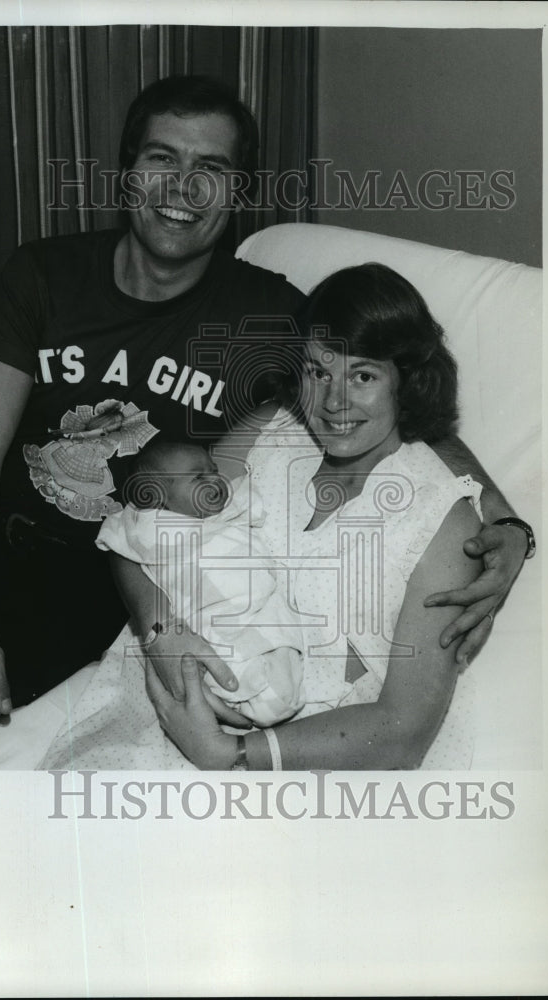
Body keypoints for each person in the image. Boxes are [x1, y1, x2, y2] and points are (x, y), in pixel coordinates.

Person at [0, 75, 531, 769]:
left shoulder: (268, 316)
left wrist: (504, 524)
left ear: (237, 191)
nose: (183, 189)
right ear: (127, 172)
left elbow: (395, 390)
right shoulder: (45, 275)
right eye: (162, 159)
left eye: (210, 167)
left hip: (89, 583)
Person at [143, 264, 494, 769]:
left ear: (407, 381)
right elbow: (140, 532)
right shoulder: (268, 434)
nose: (334, 402)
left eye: (363, 375)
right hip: (177, 700)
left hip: (310, 755)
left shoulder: (442, 523)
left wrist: (229, 753)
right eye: (318, 371)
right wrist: (158, 632)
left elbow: (403, 730)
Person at [97, 439, 306, 726]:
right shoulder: (148, 525)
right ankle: (249, 697)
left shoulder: (233, 506)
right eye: (198, 477)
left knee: (278, 635)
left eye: (215, 470)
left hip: (258, 601)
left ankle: (275, 693)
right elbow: (113, 537)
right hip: (206, 614)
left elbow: (253, 499)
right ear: (157, 496)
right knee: (220, 658)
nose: (215, 480)